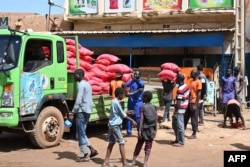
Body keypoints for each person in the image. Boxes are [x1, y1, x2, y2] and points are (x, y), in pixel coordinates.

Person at [102, 87, 137, 167]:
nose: (124, 96)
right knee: (121, 142)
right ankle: (124, 163)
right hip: (115, 126)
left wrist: (127, 112)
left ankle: (106, 162)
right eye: (124, 94)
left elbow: (118, 113)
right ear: (120, 94)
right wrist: (132, 120)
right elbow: (123, 115)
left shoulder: (114, 101)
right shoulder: (116, 103)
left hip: (111, 125)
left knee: (111, 142)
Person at [72, 69, 98, 162]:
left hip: (81, 112)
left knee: (80, 134)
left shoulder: (81, 85)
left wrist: (73, 111)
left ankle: (86, 155)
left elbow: (78, 100)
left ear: (79, 75)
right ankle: (92, 150)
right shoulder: (87, 84)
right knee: (81, 133)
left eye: (75, 75)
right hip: (87, 111)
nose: (74, 77)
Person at [131, 91, 157, 167]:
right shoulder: (154, 107)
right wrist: (156, 130)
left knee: (139, 144)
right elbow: (156, 119)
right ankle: (145, 163)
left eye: (142, 96)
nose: (141, 98)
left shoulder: (142, 107)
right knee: (148, 146)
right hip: (151, 129)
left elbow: (142, 119)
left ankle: (133, 161)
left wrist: (139, 130)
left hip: (144, 129)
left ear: (145, 98)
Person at [124, 69, 145, 136]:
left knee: (138, 117)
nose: (135, 75)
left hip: (138, 103)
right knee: (129, 116)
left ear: (140, 75)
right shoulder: (132, 81)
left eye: (137, 74)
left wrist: (128, 94)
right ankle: (129, 132)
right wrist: (125, 89)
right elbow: (125, 84)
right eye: (135, 74)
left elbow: (140, 87)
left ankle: (139, 131)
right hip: (130, 102)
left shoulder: (141, 82)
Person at [172, 74, 190, 147]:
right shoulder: (185, 86)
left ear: (179, 79)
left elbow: (179, 101)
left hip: (180, 109)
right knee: (175, 124)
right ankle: (178, 139)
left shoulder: (180, 89)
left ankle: (181, 142)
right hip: (184, 107)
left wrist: (176, 110)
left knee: (179, 125)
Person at [184, 69, 202, 139]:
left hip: (194, 102)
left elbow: (199, 94)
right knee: (185, 117)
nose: (190, 74)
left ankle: (194, 133)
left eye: (192, 73)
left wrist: (196, 104)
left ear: (195, 74)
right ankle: (183, 131)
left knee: (194, 119)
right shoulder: (191, 81)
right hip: (189, 102)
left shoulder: (198, 82)